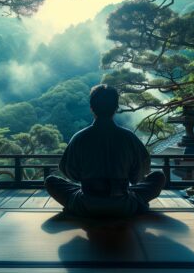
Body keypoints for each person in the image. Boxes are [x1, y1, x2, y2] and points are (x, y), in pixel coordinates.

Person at [44, 84, 166, 217]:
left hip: (86, 204)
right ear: (116, 108)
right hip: (123, 204)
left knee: (51, 181)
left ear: (92, 108)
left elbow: (71, 174)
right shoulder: (129, 137)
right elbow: (138, 176)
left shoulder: (79, 138)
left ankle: (80, 206)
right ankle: (133, 202)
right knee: (158, 177)